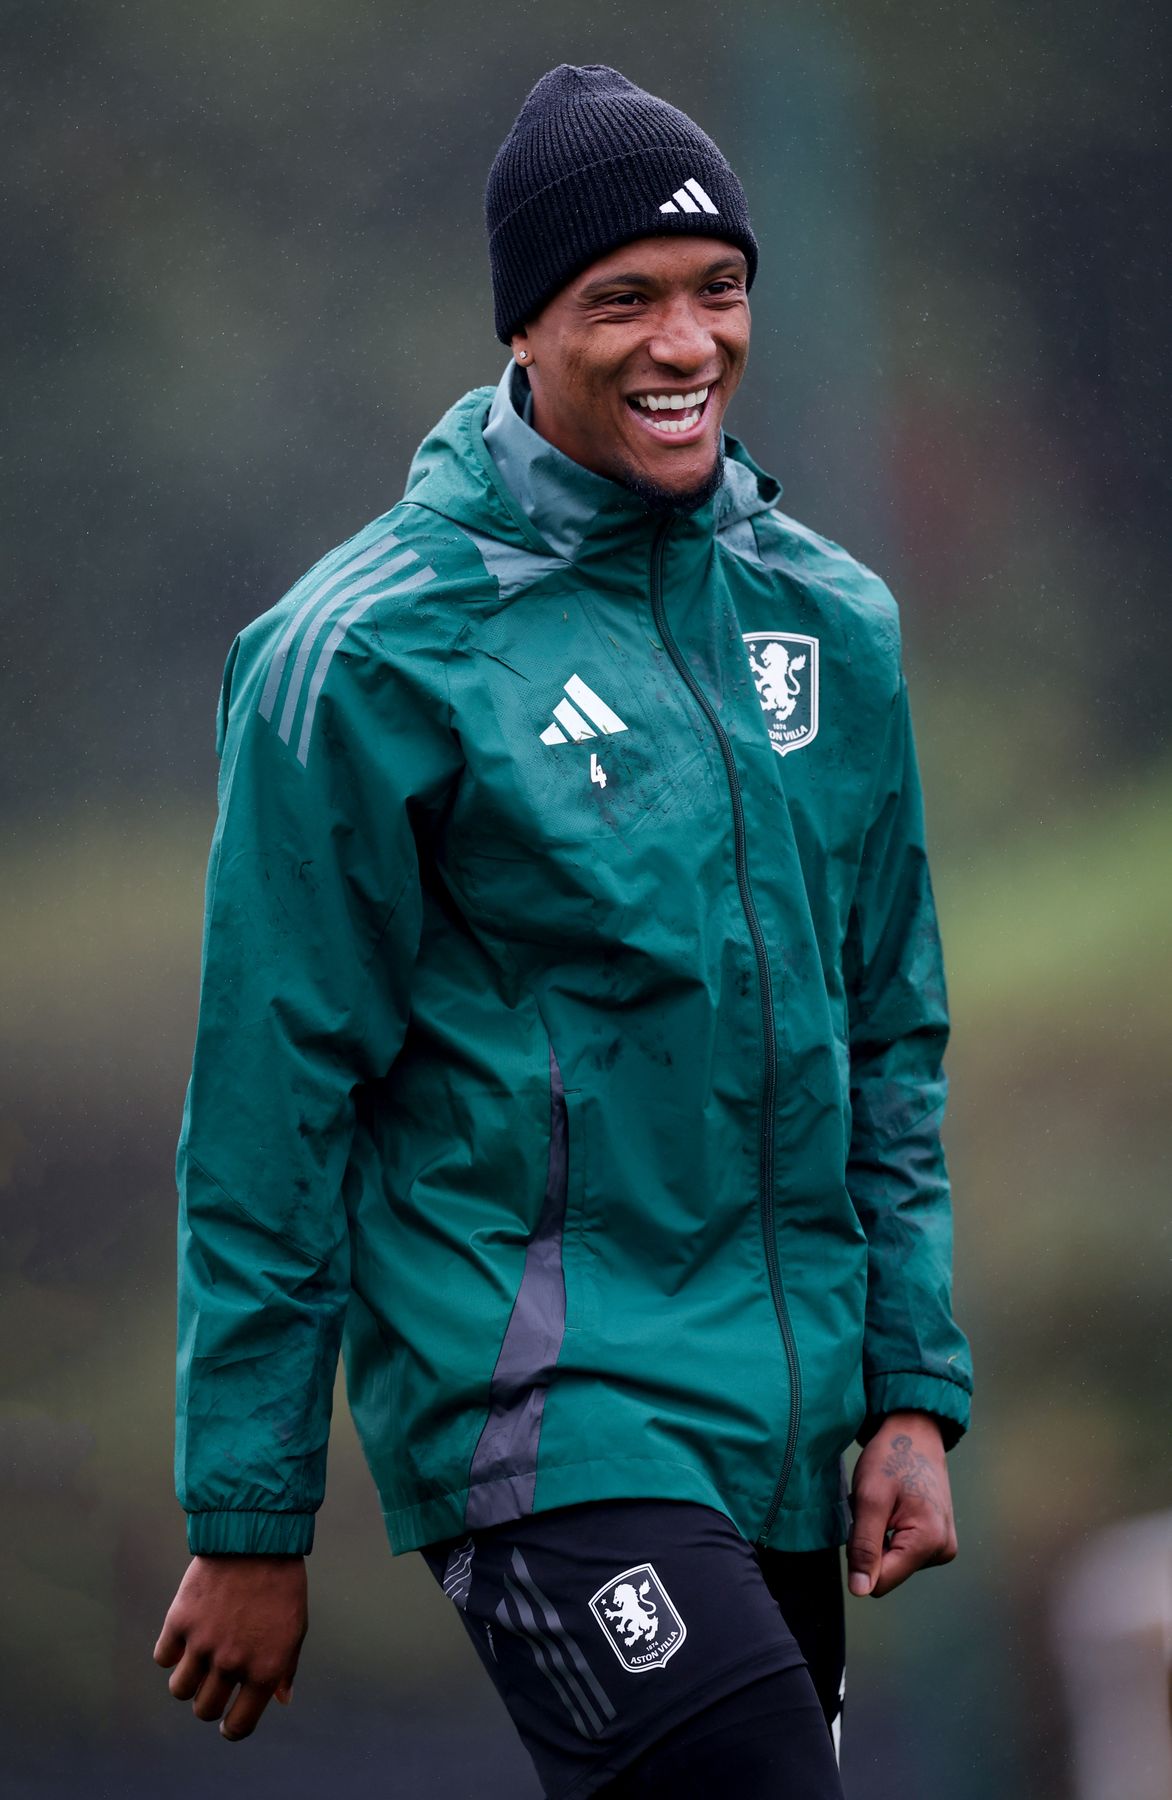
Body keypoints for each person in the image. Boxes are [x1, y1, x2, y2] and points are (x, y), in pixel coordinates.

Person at [153, 64, 972, 1799]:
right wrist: (248, 1510)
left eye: (718, 289)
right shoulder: (361, 654)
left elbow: (889, 1030)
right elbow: (272, 1097)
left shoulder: (835, 619)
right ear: (525, 328)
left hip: (782, 1422)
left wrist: (910, 1388)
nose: (686, 342)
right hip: (542, 1417)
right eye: (625, 301)